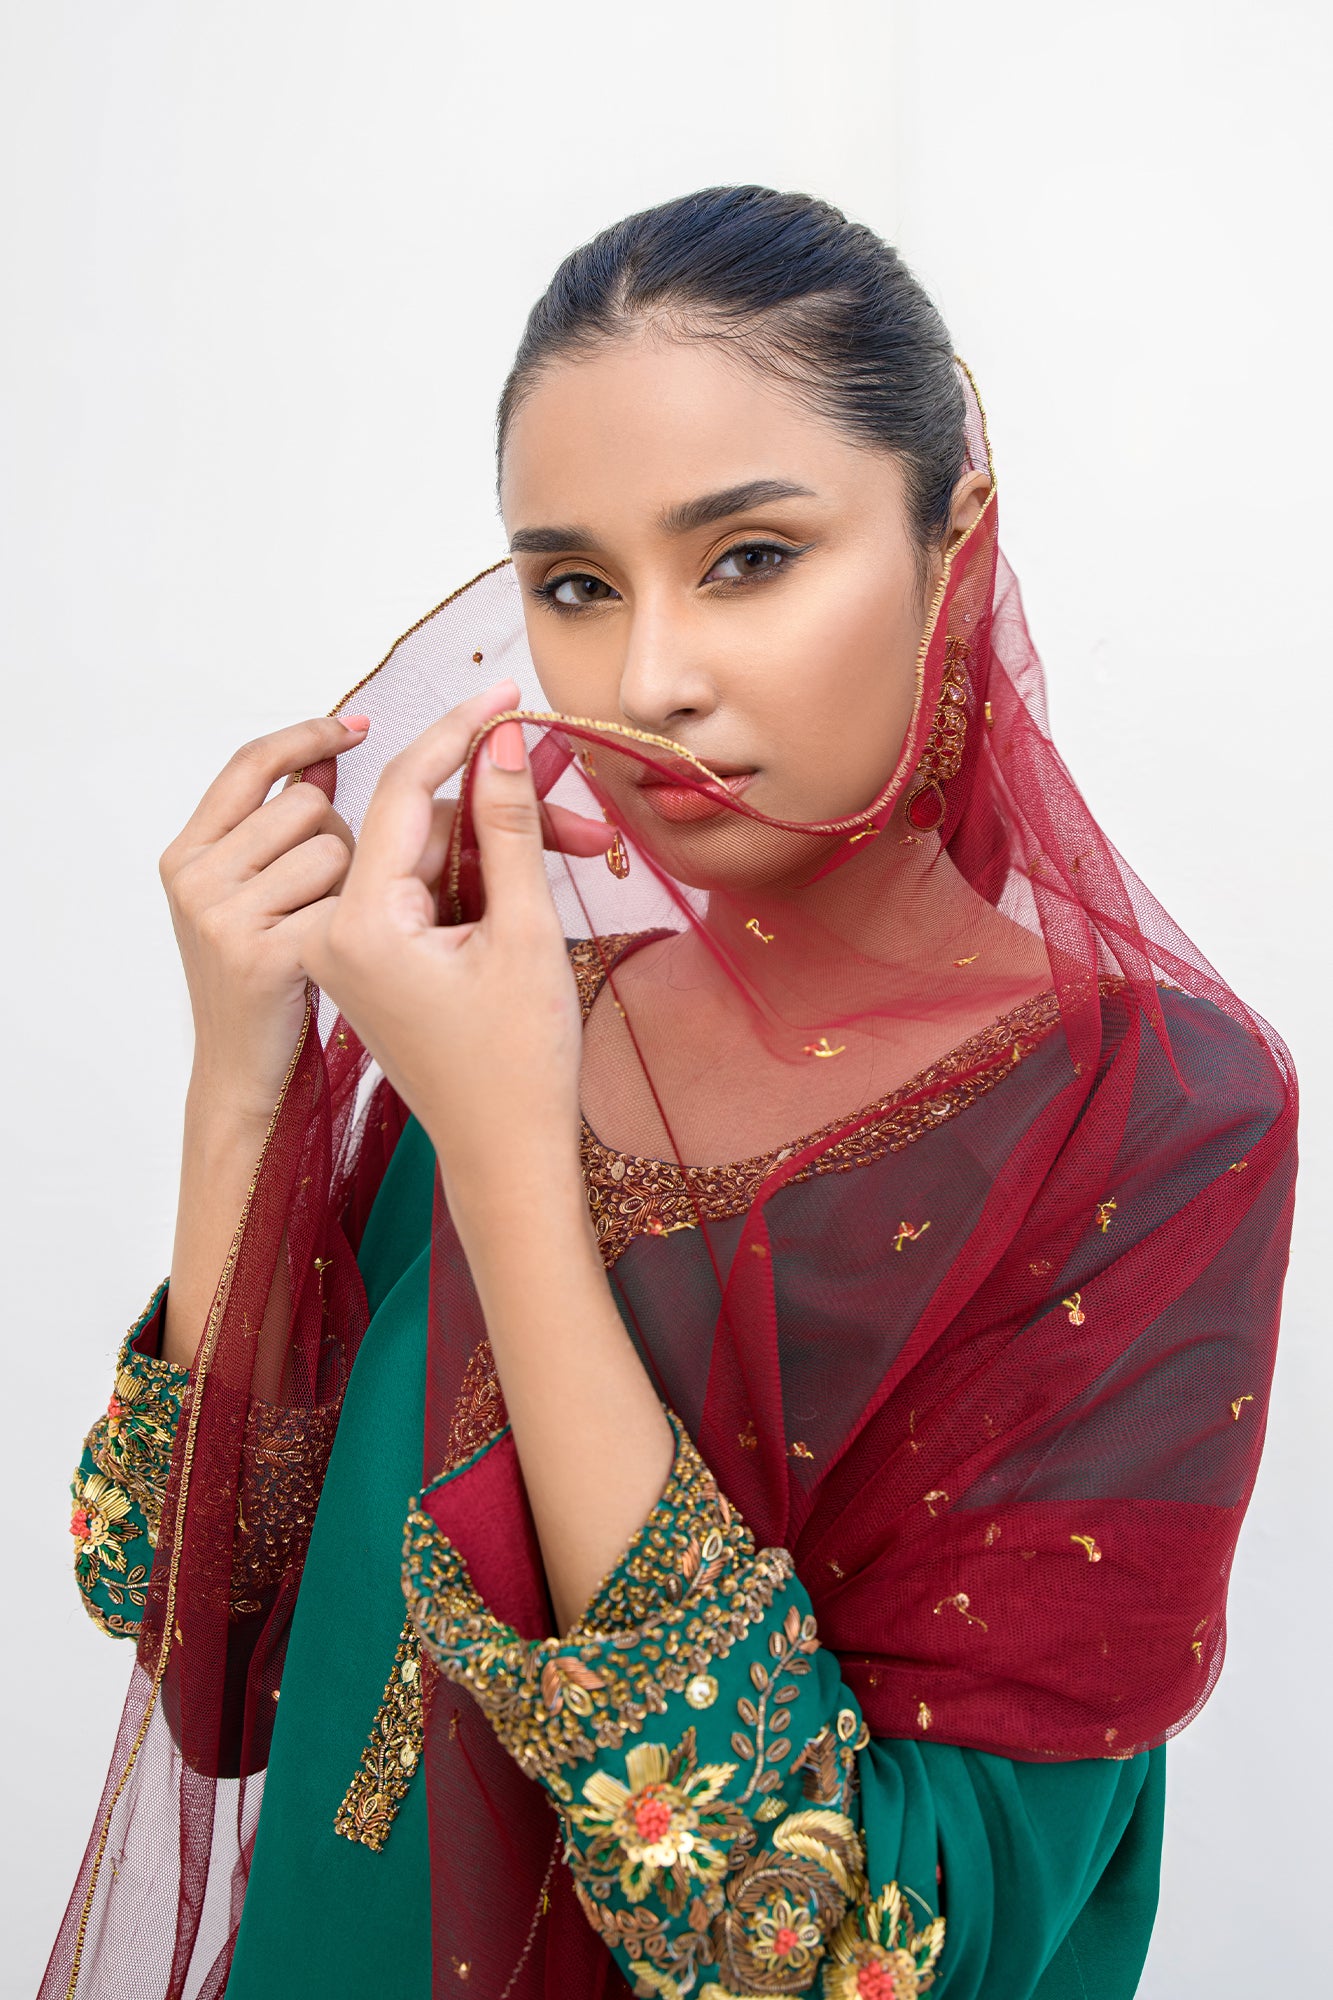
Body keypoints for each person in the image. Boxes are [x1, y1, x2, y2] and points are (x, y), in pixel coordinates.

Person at [46, 186, 1296, 2000]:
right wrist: (246, 1083)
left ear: (952, 540)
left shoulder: (1148, 1114)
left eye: (749, 558)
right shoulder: (506, 1005)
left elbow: (848, 1944)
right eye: (573, 587)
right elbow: (215, 1669)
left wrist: (508, 1167)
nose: (646, 682)